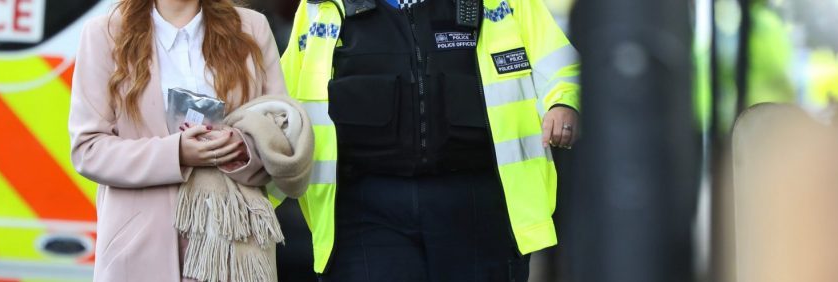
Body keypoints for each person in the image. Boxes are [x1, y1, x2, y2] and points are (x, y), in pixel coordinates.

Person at [279, 0, 581, 280]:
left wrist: (563, 103)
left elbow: (562, 66)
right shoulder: (323, 7)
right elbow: (282, 108)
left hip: (478, 203)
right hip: (365, 209)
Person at [66, 0, 286, 280]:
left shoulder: (251, 28)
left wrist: (243, 148)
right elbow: (89, 150)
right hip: (140, 247)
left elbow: (280, 132)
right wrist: (176, 153)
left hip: (234, 244)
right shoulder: (104, 33)